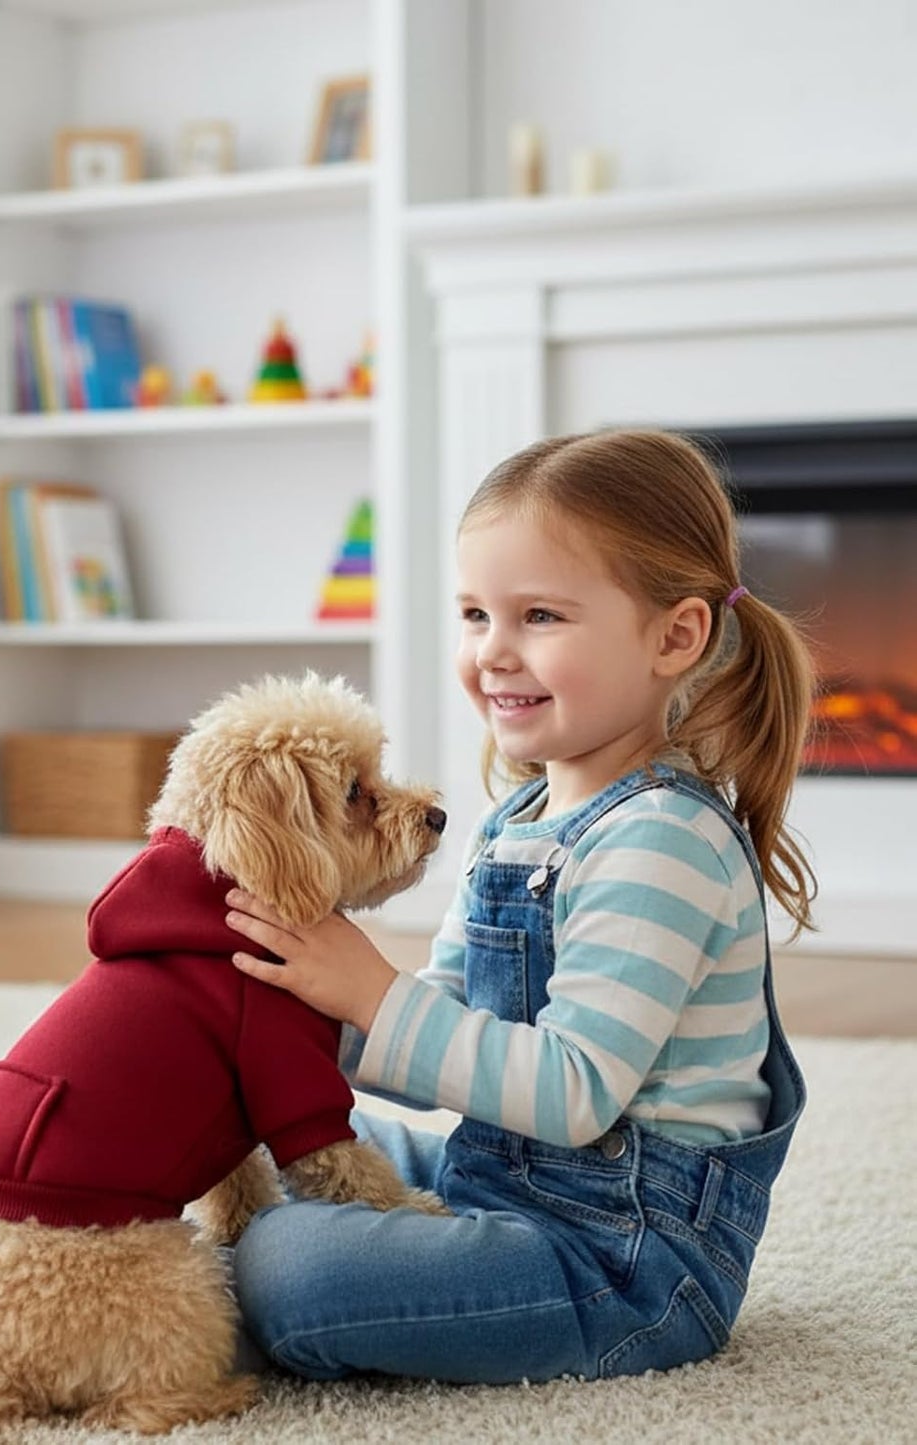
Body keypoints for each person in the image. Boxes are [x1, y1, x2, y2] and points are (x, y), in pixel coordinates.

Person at [223, 429, 814, 1384]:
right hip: (496, 1179)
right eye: (474, 614)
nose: (491, 652)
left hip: (623, 1256)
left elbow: (573, 1093)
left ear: (675, 637)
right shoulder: (517, 820)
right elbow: (447, 1031)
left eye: (538, 615)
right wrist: (285, 1020)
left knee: (289, 1268)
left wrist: (370, 993)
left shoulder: (662, 839)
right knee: (269, 1132)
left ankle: (244, 1293)